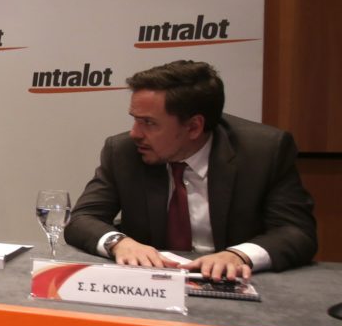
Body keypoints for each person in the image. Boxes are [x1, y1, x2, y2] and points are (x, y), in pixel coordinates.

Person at [66, 60, 317, 278]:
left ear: (194, 127)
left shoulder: (263, 152)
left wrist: (238, 255)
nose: (135, 133)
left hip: (236, 287)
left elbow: (297, 232)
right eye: (135, 119)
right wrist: (120, 243)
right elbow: (82, 219)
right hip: (153, 288)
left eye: (149, 123)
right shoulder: (123, 151)